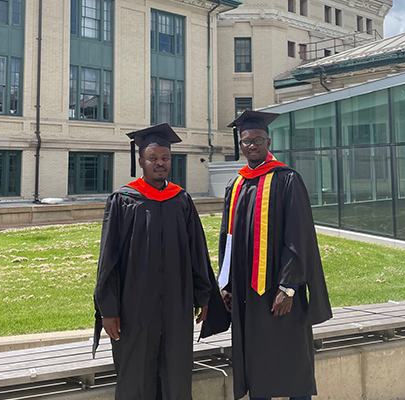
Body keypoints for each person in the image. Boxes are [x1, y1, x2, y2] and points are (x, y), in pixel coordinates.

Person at [92, 123, 223, 400]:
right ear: (141, 161)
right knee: (136, 374)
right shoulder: (123, 200)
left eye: (165, 158)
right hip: (135, 307)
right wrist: (108, 309)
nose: (159, 163)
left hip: (177, 305)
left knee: (175, 371)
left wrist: (203, 295)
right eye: (153, 158)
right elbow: (108, 259)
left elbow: (197, 252)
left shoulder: (182, 199)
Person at [209, 110, 333, 400]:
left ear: (268, 140)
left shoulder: (287, 180)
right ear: (240, 144)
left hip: (279, 291)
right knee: (256, 363)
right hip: (247, 294)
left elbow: (299, 237)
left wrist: (288, 288)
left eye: (258, 140)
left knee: (292, 361)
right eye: (246, 141)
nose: (252, 145)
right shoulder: (237, 184)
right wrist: (225, 285)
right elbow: (227, 238)